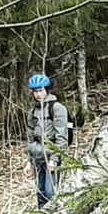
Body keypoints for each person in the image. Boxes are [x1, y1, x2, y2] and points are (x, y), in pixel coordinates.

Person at [25, 72, 72, 206]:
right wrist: (29, 161)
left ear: (46, 89)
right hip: (38, 157)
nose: (37, 95)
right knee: (40, 194)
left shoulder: (57, 109)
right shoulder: (33, 111)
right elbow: (30, 138)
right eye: (35, 92)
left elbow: (62, 137)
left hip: (52, 156)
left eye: (40, 91)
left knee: (51, 193)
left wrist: (55, 159)